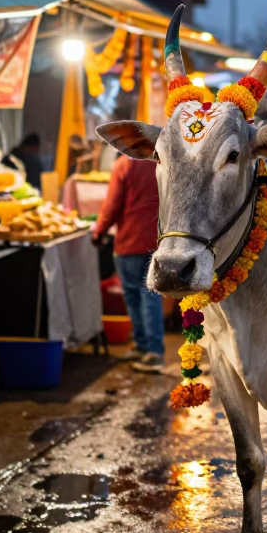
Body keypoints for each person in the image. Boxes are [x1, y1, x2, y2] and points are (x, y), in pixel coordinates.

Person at [91, 154, 165, 372]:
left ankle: (151, 351)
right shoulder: (162, 162)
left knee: (137, 297)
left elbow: (112, 204)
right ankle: (145, 348)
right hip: (158, 241)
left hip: (130, 242)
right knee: (149, 295)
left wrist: (99, 231)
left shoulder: (124, 165)